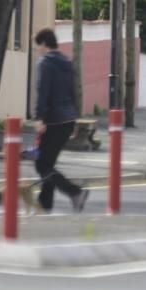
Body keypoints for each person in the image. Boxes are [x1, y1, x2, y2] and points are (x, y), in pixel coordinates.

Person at [33, 28, 89, 213]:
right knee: (48, 164)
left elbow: (43, 92)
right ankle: (44, 204)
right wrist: (74, 119)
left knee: (42, 164)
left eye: (38, 46)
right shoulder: (67, 62)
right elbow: (73, 92)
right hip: (67, 119)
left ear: (43, 44)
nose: (37, 50)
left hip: (53, 120)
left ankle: (75, 192)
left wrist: (39, 117)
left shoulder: (45, 63)